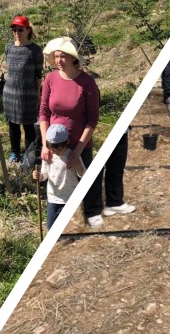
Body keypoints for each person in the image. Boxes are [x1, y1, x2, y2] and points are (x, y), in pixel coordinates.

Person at [38, 37, 101, 225]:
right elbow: (44, 112)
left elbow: (92, 119)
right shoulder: (50, 79)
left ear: (73, 58)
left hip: (79, 144)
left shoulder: (86, 82)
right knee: (57, 187)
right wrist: (45, 144)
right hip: (55, 147)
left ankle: (85, 225)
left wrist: (78, 150)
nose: (59, 61)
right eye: (56, 57)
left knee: (83, 189)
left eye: (63, 56)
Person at [3, 15, 44, 166]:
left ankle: (29, 156)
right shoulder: (8, 48)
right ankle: (15, 153)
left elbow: (38, 75)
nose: (16, 32)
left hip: (28, 94)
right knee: (13, 125)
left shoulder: (35, 50)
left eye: (20, 29)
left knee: (29, 127)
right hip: (10, 94)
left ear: (28, 30)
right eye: (14, 29)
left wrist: (38, 94)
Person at [31, 122, 85, 229]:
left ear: (67, 142)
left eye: (58, 149)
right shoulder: (49, 156)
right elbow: (45, 174)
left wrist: (77, 164)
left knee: (69, 229)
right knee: (50, 228)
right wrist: (39, 176)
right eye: (52, 148)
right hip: (53, 199)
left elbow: (83, 174)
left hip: (69, 199)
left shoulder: (72, 156)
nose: (55, 152)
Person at [89, 125, 135, 219]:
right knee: (96, 171)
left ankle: (114, 203)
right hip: (101, 131)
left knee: (116, 168)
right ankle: (93, 211)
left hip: (121, 132)